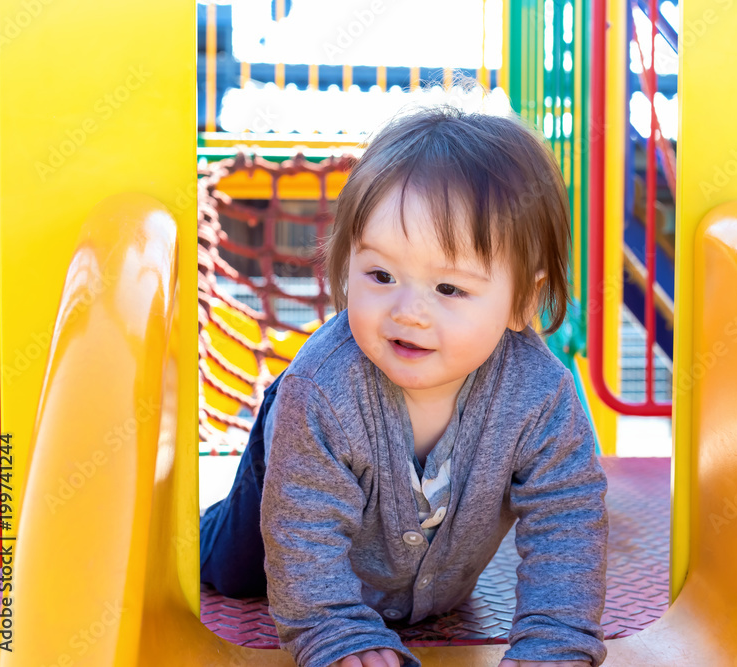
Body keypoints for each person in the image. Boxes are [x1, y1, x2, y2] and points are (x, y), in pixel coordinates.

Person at [200, 105, 608, 667]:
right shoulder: (322, 392)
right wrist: (335, 633)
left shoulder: (540, 397)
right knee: (231, 568)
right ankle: (207, 524)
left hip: (416, 575)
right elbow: (303, 535)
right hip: (291, 467)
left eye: (449, 288)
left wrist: (555, 646)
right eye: (381, 276)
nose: (409, 313)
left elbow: (568, 520)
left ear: (524, 301)